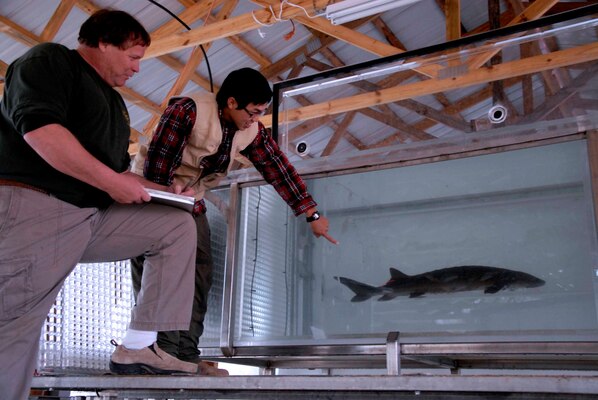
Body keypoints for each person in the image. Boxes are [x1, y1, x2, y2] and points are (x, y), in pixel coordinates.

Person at [0, 10, 201, 400]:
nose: (138, 69)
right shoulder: (51, 61)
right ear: (104, 42)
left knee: (175, 225)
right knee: (12, 326)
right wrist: (111, 181)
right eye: (133, 56)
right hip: (35, 205)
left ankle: (138, 346)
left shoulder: (112, 103)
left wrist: (164, 190)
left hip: (90, 216)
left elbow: (120, 175)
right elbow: (40, 131)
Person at [130, 67, 338, 375]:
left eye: (261, 113)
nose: (256, 119)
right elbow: (158, 165)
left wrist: (310, 212)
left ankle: (186, 356)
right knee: (163, 270)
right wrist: (170, 194)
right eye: (253, 112)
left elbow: (276, 166)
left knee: (200, 273)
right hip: (151, 195)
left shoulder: (249, 130)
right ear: (231, 102)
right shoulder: (187, 110)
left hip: (191, 200)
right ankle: (158, 350)